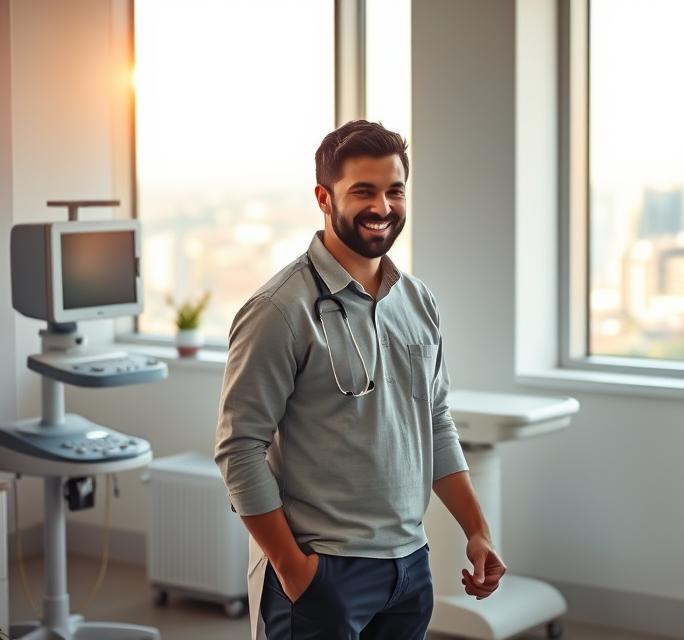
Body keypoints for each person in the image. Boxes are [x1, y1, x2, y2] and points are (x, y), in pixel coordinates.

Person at [214, 120, 506, 640]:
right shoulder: (278, 310)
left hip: (409, 565)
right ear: (324, 198)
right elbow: (239, 450)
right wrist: (293, 569)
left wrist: (476, 531)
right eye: (363, 191)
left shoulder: (418, 301)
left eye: (394, 190)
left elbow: (435, 423)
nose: (383, 207)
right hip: (322, 567)